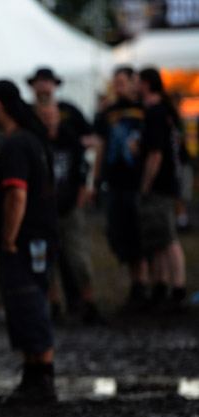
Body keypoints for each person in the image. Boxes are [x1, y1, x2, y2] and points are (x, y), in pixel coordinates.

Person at [0, 80, 59, 404]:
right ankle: (33, 377)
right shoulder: (33, 139)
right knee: (30, 303)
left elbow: (17, 193)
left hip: (24, 241)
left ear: (0, 106)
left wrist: (9, 238)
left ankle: (42, 380)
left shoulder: (15, 144)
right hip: (39, 238)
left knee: (27, 304)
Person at [36, 102, 106, 325]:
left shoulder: (69, 138)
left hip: (69, 208)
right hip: (44, 212)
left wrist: (85, 192)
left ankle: (89, 304)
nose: (49, 120)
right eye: (44, 115)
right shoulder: (34, 141)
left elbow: (84, 167)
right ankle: (54, 307)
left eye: (52, 115)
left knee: (79, 258)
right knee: (48, 261)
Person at [93, 67, 149, 311]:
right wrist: (95, 179)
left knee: (142, 235)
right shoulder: (108, 114)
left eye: (122, 82)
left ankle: (146, 285)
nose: (118, 87)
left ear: (133, 83)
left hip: (138, 182)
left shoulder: (146, 111)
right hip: (115, 183)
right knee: (121, 235)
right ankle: (136, 285)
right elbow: (100, 147)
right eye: (115, 83)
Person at [136, 67, 188, 312]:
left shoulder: (156, 112)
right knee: (158, 238)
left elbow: (156, 153)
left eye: (137, 81)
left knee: (167, 238)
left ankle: (177, 288)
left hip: (160, 184)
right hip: (167, 182)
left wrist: (146, 183)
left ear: (146, 84)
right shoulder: (163, 111)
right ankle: (160, 286)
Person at [27, 67, 95, 146]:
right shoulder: (27, 111)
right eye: (39, 84)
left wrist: (76, 142)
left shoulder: (69, 109)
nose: (43, 87)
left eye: (46, 82)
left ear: (54, 85)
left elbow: (91, 135)